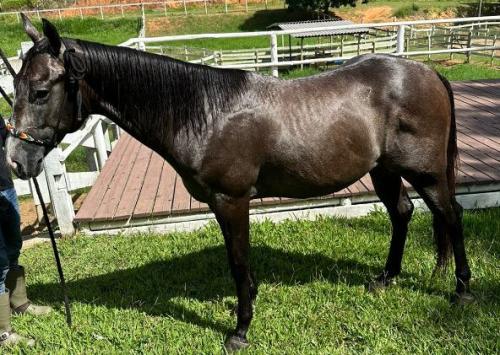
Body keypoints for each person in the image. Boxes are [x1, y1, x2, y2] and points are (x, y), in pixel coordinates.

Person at [0, 117, 52, 346]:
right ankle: (3, 333)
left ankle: (20, 302)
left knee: (13, 246)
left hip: (4, 185)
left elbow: (6, 136)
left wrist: (23, 146)